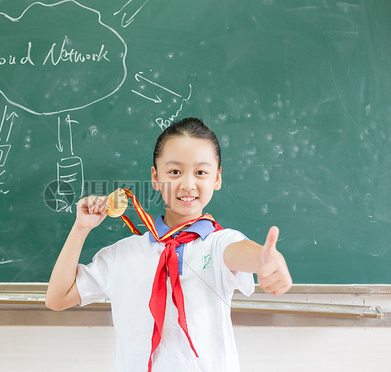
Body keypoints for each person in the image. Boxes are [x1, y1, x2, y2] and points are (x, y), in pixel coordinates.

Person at [45, 117, 292, 372]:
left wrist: (269, 260)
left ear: (217, 178)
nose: (187, 184)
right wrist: (80, 229)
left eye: (201, 172)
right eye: (175, 171)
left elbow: (244, 253)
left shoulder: (219, 243)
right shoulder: (124, 254)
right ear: (155, 177)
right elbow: (57, 298)